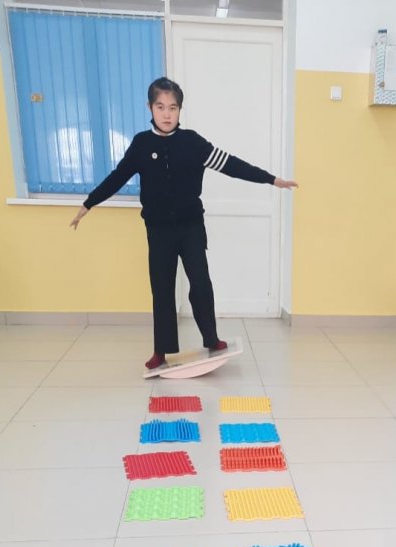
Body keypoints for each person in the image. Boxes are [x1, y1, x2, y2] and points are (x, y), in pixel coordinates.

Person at [70, 77, 297, 370]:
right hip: (158, 230)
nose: (167, 114)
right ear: (150, 108)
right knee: (162, 288)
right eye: (160, 107)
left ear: (180, 110)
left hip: (191, 227)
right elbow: (117, 177)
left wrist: (272, 180)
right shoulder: (141, 144)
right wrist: (88, 204)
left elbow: (231, 164)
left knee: (200, 282)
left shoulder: (193, 143)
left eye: (173, 108)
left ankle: (211, 338)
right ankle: (161, 351)